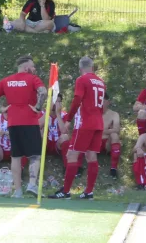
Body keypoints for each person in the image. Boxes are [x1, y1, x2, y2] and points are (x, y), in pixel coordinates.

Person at [0, 55, 48, 198]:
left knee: (16, 156)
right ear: (26, 67)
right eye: (33, 66)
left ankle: (18, 190)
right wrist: (38, 107)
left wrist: (1, 107)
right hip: (29, 121)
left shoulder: (7, 80)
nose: (34, 69)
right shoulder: (33, 79)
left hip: (13, 122)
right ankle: (32, 184)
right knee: (35, 155)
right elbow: (44, 92)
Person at [49, 56, 106, 200]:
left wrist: (68, 119)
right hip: (98, 122)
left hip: (85, 123)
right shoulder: (101, 82)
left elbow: (77, 99)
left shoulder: (82, 80)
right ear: (92, 67)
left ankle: (66, 191)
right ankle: (89, 191)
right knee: (91, 156)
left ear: (80, 69)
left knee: (71, 155)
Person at [0, 109, 29, 181]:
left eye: (10, 112)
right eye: (6, 112)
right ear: (2, 111)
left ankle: (20, 172)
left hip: (15, 153)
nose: (8, 114)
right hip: (0, 151)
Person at [38, 93, 70, 169]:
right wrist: (48, 112)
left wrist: (58, 114)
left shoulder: (64, 115)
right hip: (45, 144)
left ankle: (67, 166)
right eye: (53, 101)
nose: (55, 104)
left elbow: (64, 131)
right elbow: (37, 126)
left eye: (57, 102)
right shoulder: (43, 113)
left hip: (57, 144)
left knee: (65, 136)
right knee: (37, 132)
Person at [100, 92, 121, 179]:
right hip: (92, 142)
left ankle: (113, 168)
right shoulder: (92, 113)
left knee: (114, 135)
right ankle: (77, 167)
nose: (101, 104)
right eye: (99, 101)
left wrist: (101, 131)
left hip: (106, 143)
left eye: (103, 101)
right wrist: (107, 130)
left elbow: (116, 129)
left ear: (108, 102)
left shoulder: (114, 114)